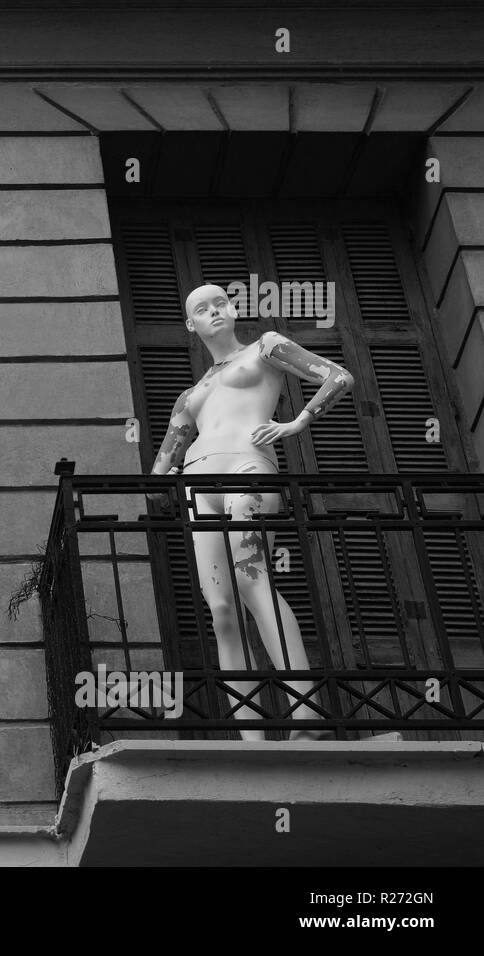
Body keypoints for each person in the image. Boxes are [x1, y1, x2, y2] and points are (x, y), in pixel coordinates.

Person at [150, 283, 353, 741]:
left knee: (254, 579)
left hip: (248, 467)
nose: (214, 312)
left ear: (234, 307)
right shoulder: (189, 395)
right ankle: (251, 737)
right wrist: (162, 487)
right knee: (221, 608)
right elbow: (160, 469)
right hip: (198, 487)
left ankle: (306, 716)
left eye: (220, 302)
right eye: (202, 309)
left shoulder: (266, 347)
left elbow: (337, 377)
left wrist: (298, 422)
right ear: (191, 324)